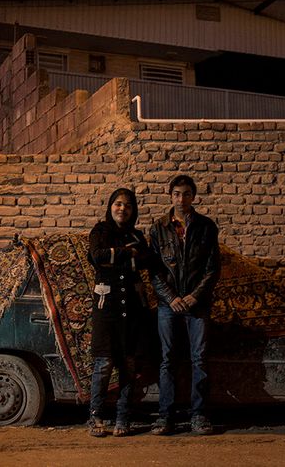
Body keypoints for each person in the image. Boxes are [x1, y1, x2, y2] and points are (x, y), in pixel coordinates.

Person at [149, 175, 220, 435]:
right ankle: (165, 417)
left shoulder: (206, 227)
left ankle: (199, 415)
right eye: (177, 194)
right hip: (169, 304)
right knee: (167, 359)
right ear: (170, 196)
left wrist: (194, 297)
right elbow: (154, 271)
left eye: (187, 194)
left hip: (197, 304)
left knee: (199, 358)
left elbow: (212, 269)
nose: (182, 199)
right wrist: (171, 297)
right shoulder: (158, 228)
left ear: (194, 196)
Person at [87, 188, 152, 437]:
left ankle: (123, 418)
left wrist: (120, 257)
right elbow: (98, 255)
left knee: (128, 364)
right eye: (117, 204)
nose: (122, 209)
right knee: (104, 364)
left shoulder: (137, 235)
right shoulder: (100, 232)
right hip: (107, 309)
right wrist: (127, 253)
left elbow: (146, 260)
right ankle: (95, 418)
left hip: (133, 310)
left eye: (127, 205)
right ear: (110, 206)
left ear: (133, 209)